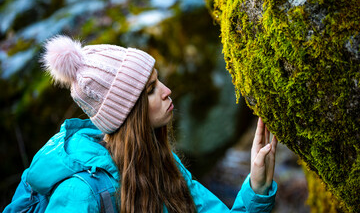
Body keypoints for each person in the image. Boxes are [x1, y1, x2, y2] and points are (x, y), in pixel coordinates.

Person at [15, 35, 278, 212]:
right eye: (151, 89)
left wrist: (257, 186)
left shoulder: (162, 163)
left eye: (157, 80)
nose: (167, 90)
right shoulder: (81, 193)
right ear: (128, 112)